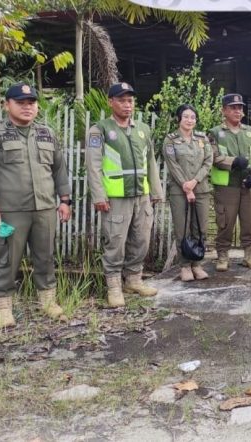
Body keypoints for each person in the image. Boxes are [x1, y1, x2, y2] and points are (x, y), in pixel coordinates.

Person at [0, 83, 71, 327]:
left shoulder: (46, 133)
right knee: (8, 258)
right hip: (10, 211)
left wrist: (65, 200)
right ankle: (2, 306)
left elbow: (59, 169)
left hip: (44, 209)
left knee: (45, 257)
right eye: (20, 102)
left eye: (31, 103)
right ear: (7, 104)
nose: (27, 107)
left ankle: (47, 301)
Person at [85, 82, 164, 307]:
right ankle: (114, 287)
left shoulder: (142, 129)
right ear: (111, 102)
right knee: (115, 242)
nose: (127, 105)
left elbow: (150, 161)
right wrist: (99, 196)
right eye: (121, 100)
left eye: (130, 100)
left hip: (141, 195)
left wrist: (156, 190)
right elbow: (94, 165)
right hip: (115, 198)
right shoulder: (99, 129)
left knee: (141, 240)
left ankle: (133, 280)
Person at [210, 93, 251, 271]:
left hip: (248, 185)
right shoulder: (216, 133)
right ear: (224, 110)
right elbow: (214, 157)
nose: (237, 111)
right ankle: (223, 256)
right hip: (227, 186)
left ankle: (249, 255)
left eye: (240, 108)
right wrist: (233, 162)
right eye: (233, 108)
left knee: (250, 222)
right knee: (225, 222)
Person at [163, 105, 213, 281]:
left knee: (200, 229)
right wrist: (186, 186)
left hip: (201, 189)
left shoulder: (202, 138)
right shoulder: (171, 140)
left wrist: (194, 182)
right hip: (179, 191)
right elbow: (172, 164)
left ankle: (197, 264)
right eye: (186, 117)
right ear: (179, 119)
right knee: (182, 229)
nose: (189, 120)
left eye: (193, 117)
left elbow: (208, 161)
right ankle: (184, 266)